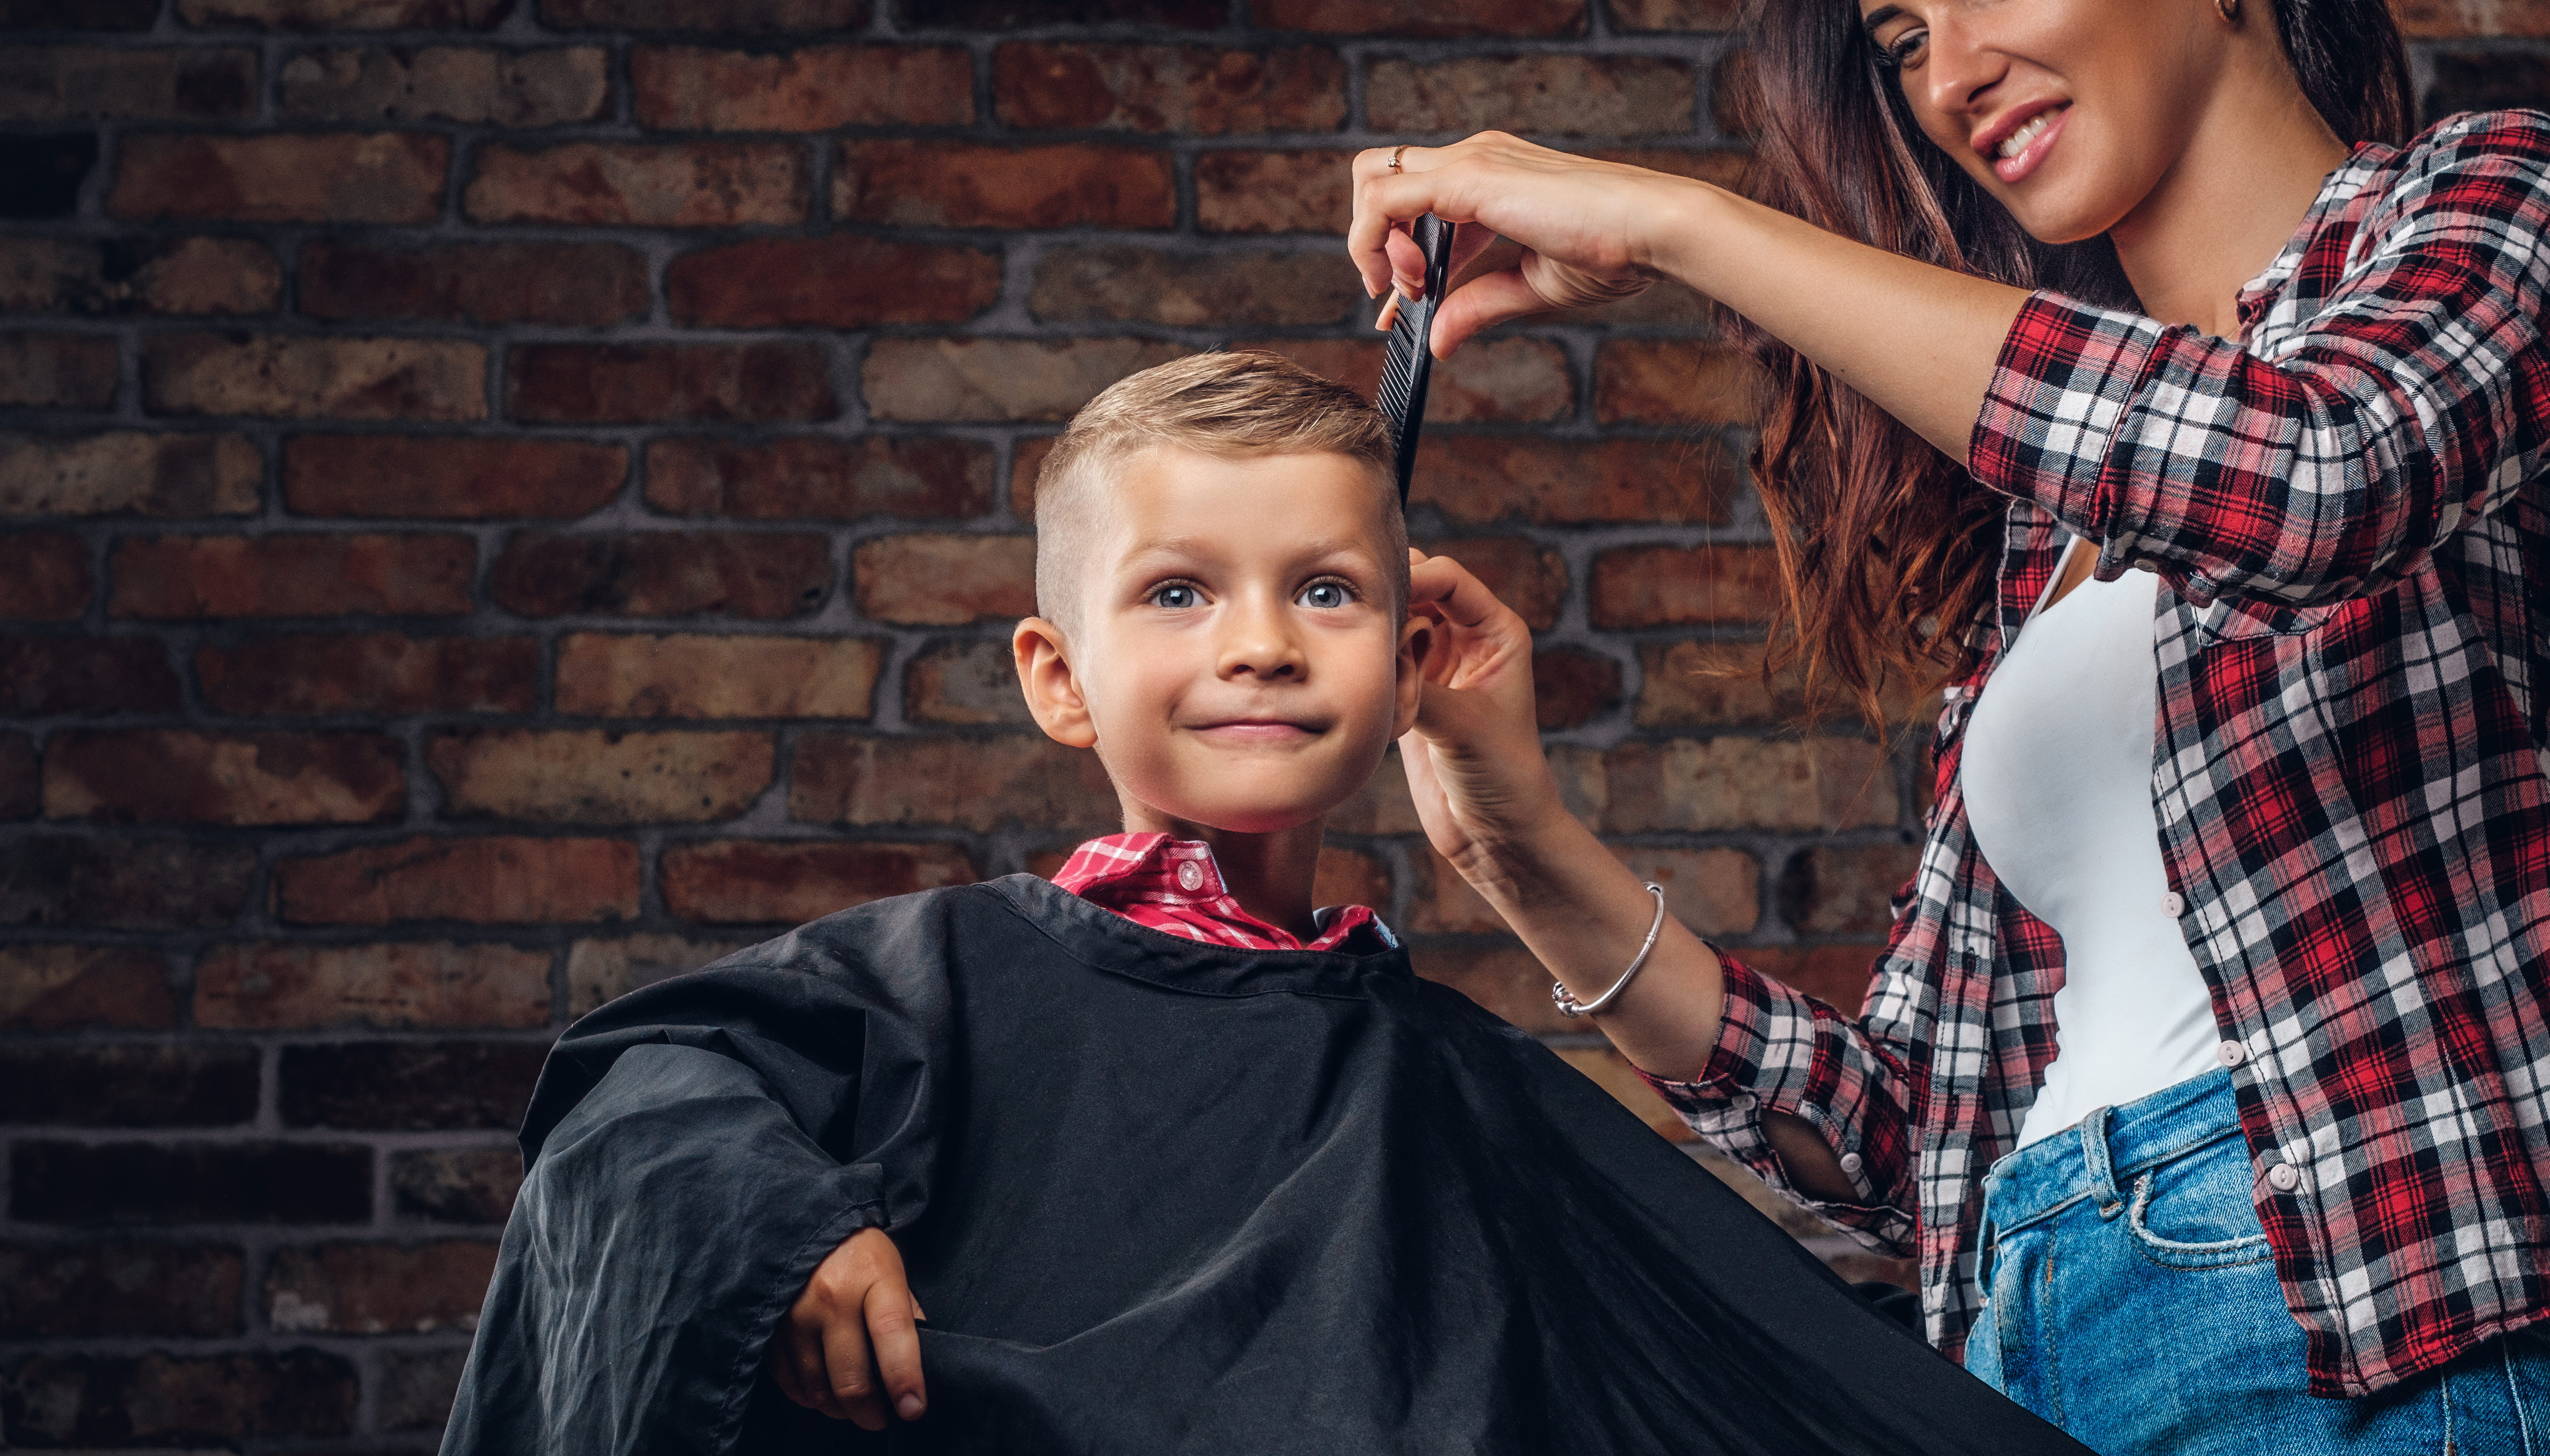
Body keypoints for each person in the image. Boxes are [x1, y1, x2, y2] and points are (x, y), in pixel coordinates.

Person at [437, 352, 2081, 1456]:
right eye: (1175, 593)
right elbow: (642, 1097)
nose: (1259, 643)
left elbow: (1762, 1363)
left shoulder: (1466, 1091)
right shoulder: (925, 985)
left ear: (1413, 658)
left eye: (1326, 590)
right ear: (1055, 679)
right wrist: (776, 1228)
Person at [1346, 1, 2550, 1452]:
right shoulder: (2042, 540)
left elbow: (2317, 476)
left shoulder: (2494, 201)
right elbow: (1900, 1141)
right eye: (1901, 35)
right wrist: (1511, 838)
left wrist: (1672, 223)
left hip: (2365, 1320)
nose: (1952, 76)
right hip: (2021, 1341)